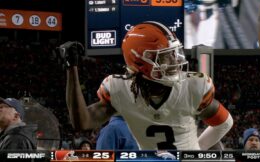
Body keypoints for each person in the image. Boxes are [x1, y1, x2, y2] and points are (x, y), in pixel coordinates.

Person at [62, 21, 233, 150]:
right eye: (166, 56)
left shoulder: (192, 87)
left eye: (174, 53)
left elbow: (225, 122)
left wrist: (195, 152)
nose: (176, 61)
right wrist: (72, 68)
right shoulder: (120, 89)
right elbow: (82, 122)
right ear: (141, 61)